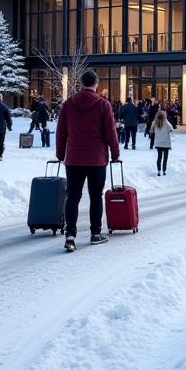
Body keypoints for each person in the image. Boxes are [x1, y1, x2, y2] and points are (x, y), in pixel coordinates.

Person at [56, 68, 120, 251]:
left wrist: (60, 154)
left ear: (81, 83)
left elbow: (61, 132)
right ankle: (95, 233)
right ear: (96, 84)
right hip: (96, 159)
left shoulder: (68, 104)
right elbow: (111, 133)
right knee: (95, 196)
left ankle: (70, 235)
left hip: (74, 157)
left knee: (73, 197)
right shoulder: (103, 104)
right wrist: (115, 154)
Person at [151, 108, 174, 176]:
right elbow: (171, 128)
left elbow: (151, 131)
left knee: (159, 157)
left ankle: (158, 170)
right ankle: (164, 170)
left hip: (158, 142)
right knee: (165, 158)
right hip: (166, 143)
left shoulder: (155, 122)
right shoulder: (166, 122)